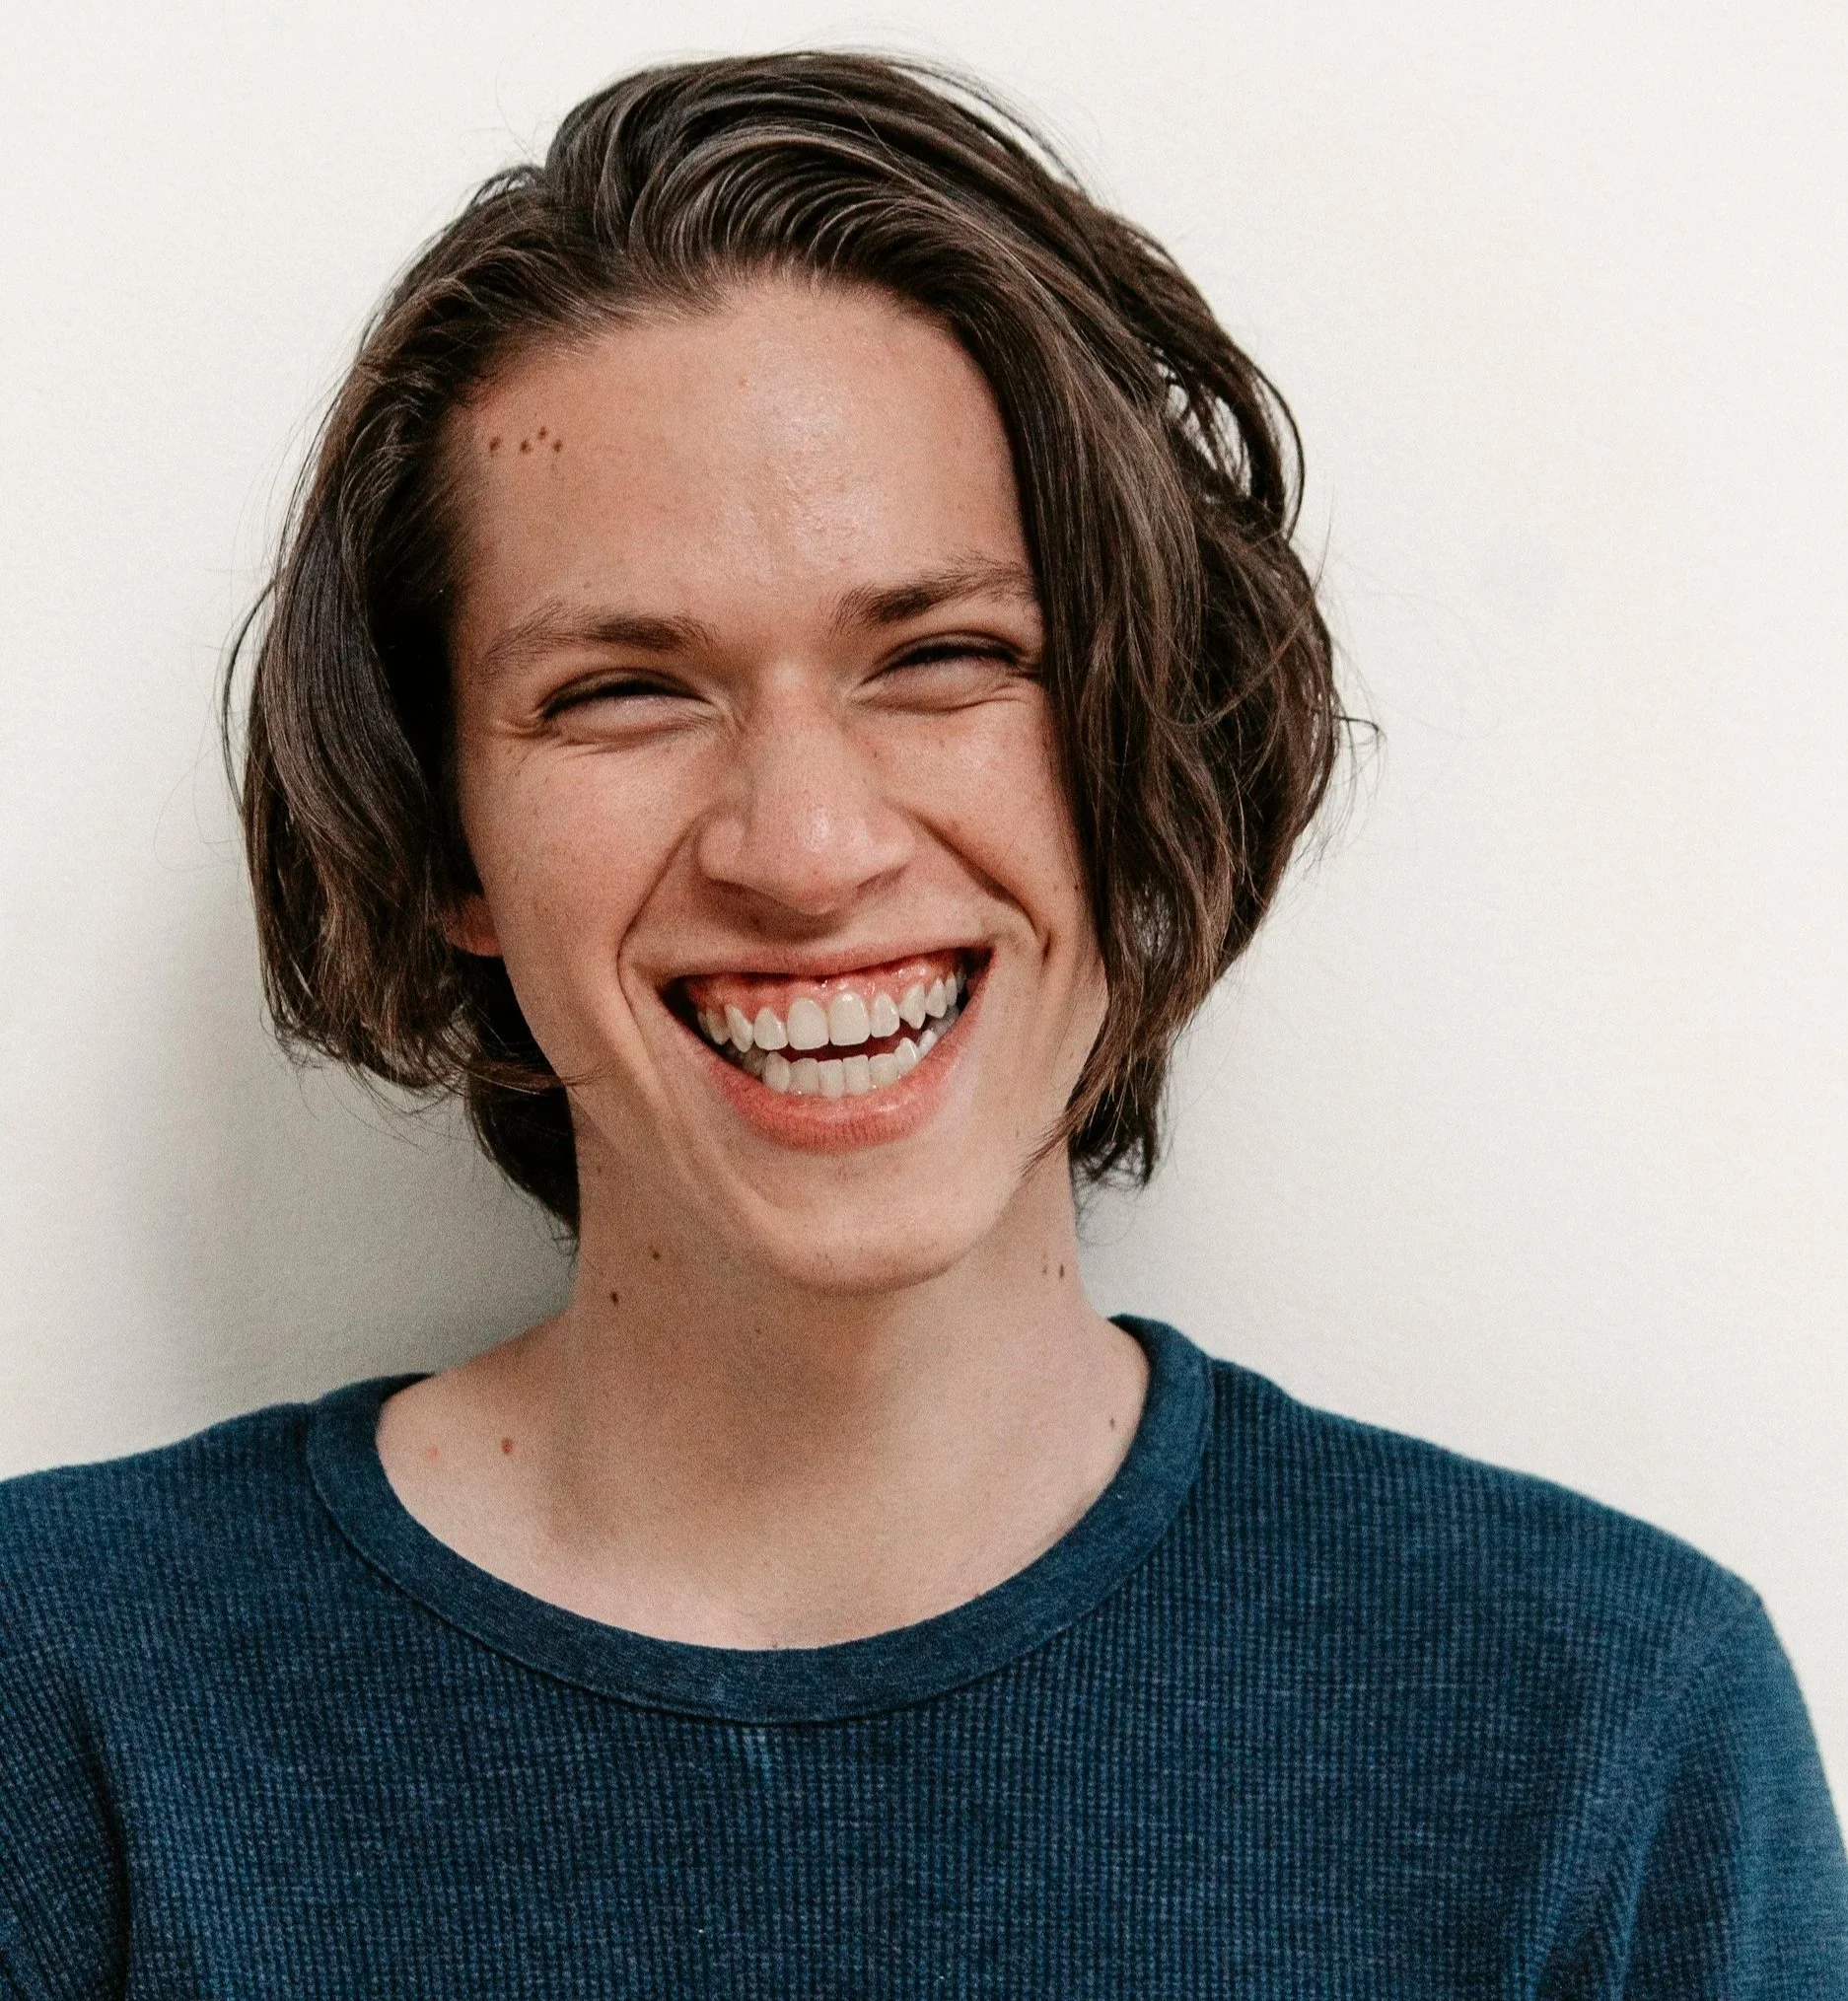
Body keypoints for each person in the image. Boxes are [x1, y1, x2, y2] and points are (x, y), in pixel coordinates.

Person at [1, 50, 1842, 1997]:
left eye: (947, 658)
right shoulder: (67, 1705)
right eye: (625, 691)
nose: (804, 848)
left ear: (1149, 739)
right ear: (445, 836)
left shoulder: (1601, 1731)